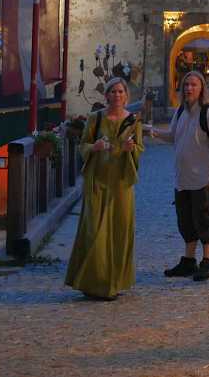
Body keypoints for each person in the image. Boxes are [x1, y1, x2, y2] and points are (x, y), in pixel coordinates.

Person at [65, 76, 143, 299]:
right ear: (106, 95)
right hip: (97, 180)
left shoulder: (133, 121)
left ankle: (114, 282)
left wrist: (131, 148)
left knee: (119, 229)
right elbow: (83, 146)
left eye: (120, 92)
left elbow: (139, 149)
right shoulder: (95, 118)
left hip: (121, 182)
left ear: (126, 96)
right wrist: (95, 147)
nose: (117, 95)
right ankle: (94, 283)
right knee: (95, 230)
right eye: (113, 91)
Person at [156, 71, 209, 282]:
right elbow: (172, 136)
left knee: (204, 220)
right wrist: (151, 131)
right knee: (185, 221)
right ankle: (188, 261)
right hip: (182, 179)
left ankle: (207, 262)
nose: (189, 88)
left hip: (203, 178)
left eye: (193, 85)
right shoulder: (180, 111)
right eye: (186, 85)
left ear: (201, 88)